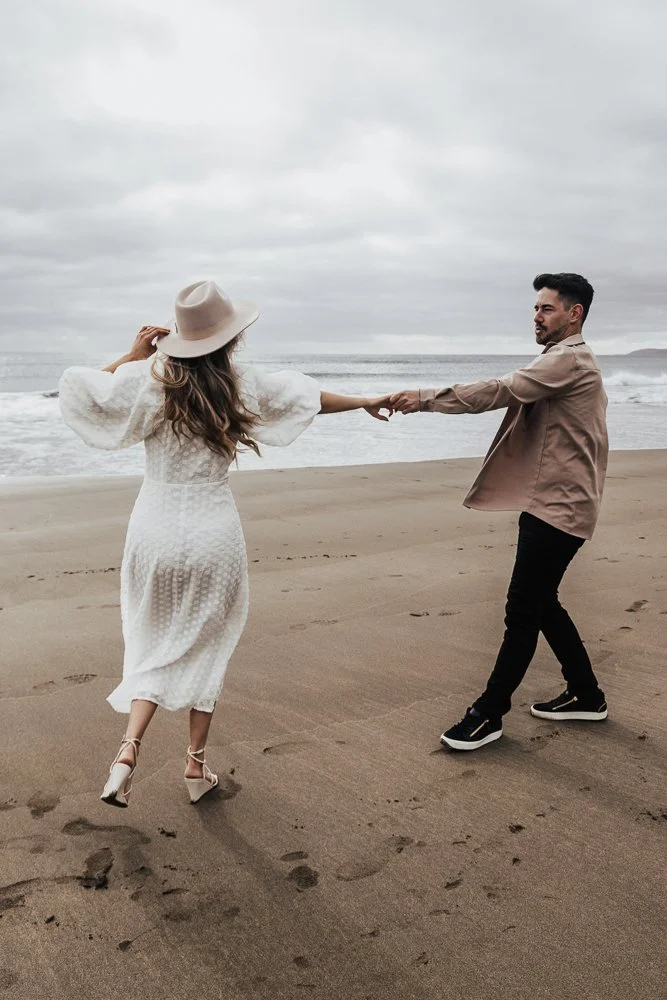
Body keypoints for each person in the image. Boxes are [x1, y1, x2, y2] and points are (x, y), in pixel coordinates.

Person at [59, 280, 392, 805]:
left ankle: (128, 751)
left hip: (155, 525)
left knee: (152, 641)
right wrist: (367, 399)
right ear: (230, 337)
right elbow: (309, 399)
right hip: (213, 529)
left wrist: (130, 355)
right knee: (208, 647)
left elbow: (84, 397)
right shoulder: (240, 385)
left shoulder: (151, 380)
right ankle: (195, 768)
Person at [390, 273, 609, 751]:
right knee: (542, 601)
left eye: (547, 309)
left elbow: (499, 391)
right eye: (535, 308)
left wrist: (425, 399)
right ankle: (587, 694)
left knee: (522, 610)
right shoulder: (563, 360)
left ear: (575, 314)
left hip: (558, 508)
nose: (537, 316)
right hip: (554, 502)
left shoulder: (569, 361)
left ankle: (488, 714)